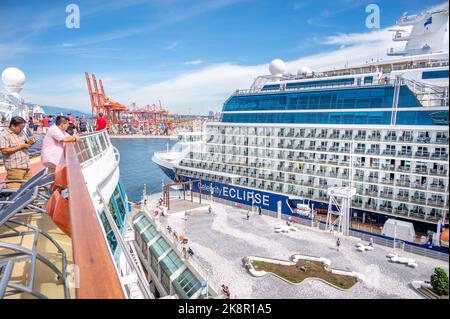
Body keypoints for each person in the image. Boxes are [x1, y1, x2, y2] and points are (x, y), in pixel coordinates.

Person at [0, 116, 33, 188]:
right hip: (15, 166)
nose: (21, 130)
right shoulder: (4, 135)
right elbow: (4, 150)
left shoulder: (21, 133)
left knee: (28, 188)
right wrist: (21, 147)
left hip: (26, 165)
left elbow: (24, 143)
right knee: (14, 188)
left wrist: (29, 143)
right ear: (13, 126)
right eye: (20, 128)